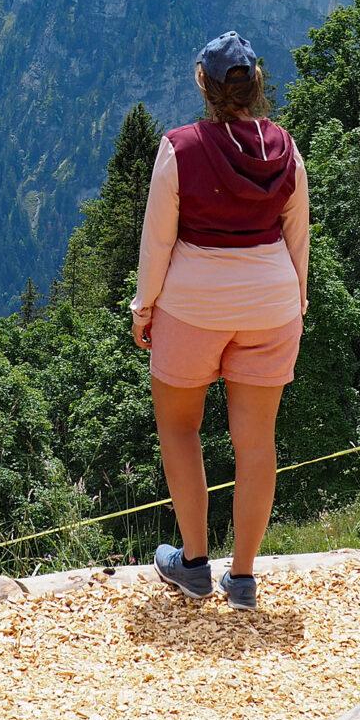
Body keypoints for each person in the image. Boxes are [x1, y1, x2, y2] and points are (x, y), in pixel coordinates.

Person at [131, 30, 309, 610]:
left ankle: (193, 564)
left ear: (203, 86)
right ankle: (244, 578)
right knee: (256, 442)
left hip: (193, 308)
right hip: (272, 307)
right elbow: (296, 235)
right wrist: (298, 301)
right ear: (257, 85)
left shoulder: (179, 149)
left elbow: (158, 242)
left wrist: (143, 307)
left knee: (180, 428)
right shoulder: (285, 149)